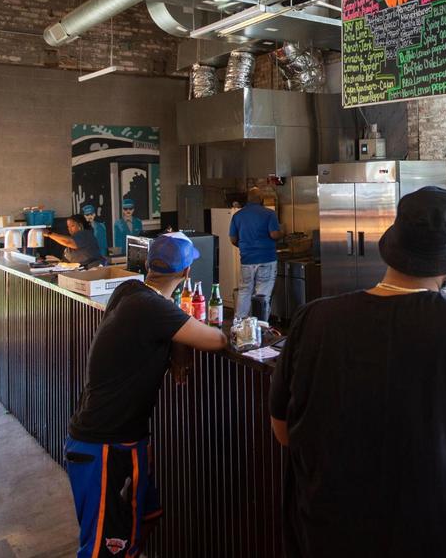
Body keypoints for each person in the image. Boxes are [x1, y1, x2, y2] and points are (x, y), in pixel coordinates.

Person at [269, 186, 446, 558]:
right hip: (437, 534)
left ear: (393, 248)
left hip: (326, 531)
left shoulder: (315, 318)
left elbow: (283, 431)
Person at [65, 233, 227, 558]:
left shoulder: (130, 291)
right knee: (104, 548)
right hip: (106, 445)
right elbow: (218, 340)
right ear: (186, 273)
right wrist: (181, 347)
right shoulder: (151, 308)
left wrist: (177, 348)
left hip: (116, 438)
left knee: (145, 517)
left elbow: (167, 323)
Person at [228, 187, 283, 318]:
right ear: (261, 199)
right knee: (262, 295)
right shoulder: (269, 214)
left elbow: (233, 239)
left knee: (244, 291)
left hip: (246, 260)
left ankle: (239, 323)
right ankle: (260, 325)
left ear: (248, 199)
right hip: (266, 259)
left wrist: (245, 247)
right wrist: (282, 233)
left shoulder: (238, 215)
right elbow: (274, 234)